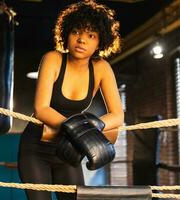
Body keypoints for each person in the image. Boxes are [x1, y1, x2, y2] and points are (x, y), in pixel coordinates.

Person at [18, 1, 124, 199]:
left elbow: (118, 115)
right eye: (76, 32)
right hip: (36, 148)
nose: (81, 40)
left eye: (90, 35)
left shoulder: (101, 68)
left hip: (69, 151)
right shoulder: (53, 59)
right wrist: (79, 129)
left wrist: (93, 125)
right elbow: (41, 109)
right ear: (67, 34)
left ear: (100, 41)